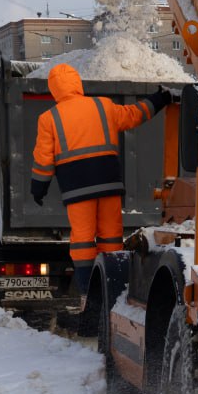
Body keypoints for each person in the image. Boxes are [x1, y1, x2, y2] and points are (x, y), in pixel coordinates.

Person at [30, 64, 172, 295]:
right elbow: (133, 115)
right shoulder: (102, 105)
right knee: (111, 234)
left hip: (76, 188)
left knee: (83, 239)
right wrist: (159, 98)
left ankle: (88, 290)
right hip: (108, 182)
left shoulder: (49, 118)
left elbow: (43, 158)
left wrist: (39, 188)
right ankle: (115, 286)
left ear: (54, 89)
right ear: (77, 83)